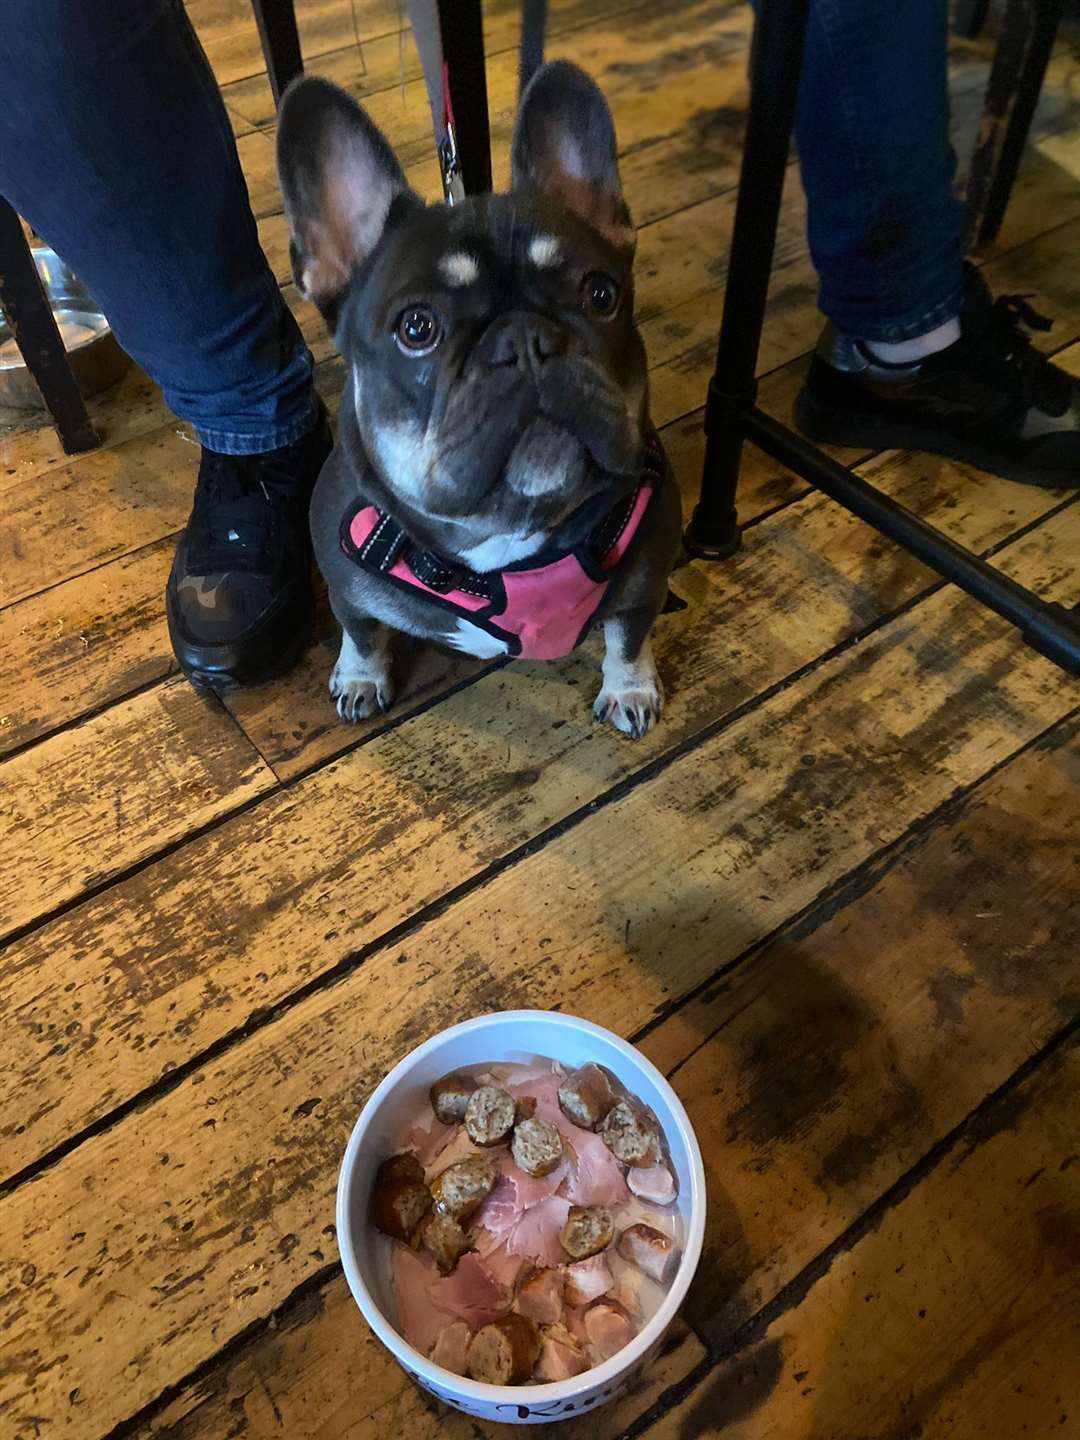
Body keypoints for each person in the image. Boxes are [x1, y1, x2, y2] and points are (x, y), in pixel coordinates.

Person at [1, 1, 1075, 695]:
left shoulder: (641, 508)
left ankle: (901, 332)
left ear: (610, 225)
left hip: (601, 547)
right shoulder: (361, 535)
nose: (526, 360)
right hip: (405, 559)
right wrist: (362, 649)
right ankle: (256, 435)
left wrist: (630, 660)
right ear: (335, 271)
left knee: (629, 592)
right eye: (419, 327)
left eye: (590, 297)